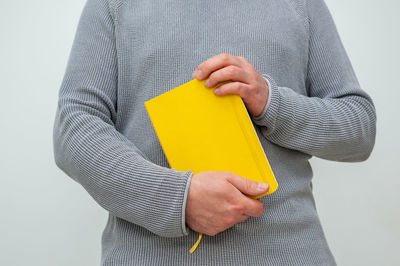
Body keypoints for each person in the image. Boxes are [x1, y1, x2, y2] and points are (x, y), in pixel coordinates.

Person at [53, 0, 376, 265]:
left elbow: (359, 128)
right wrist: (177, 198)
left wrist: (270, 101)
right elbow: (75, 126)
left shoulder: (301, 5)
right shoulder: (113, 5)